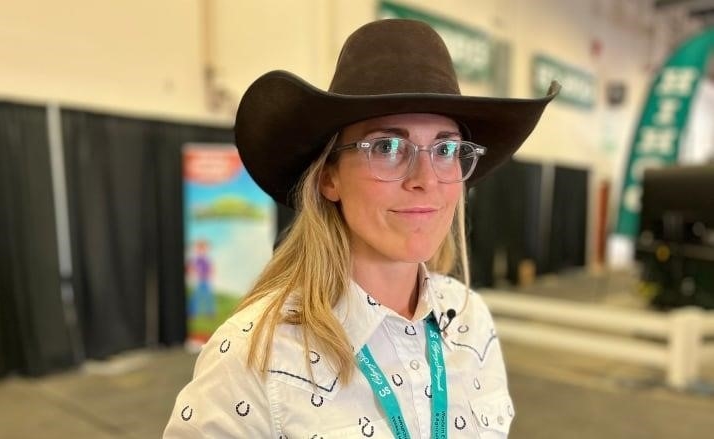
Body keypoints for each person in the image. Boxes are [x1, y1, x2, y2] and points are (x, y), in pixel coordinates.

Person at [164, 18, 558, 438]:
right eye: (388, 146)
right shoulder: (252, 356)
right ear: (329, 178)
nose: (425, 178)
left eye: (445, 149)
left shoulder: (469, 321)